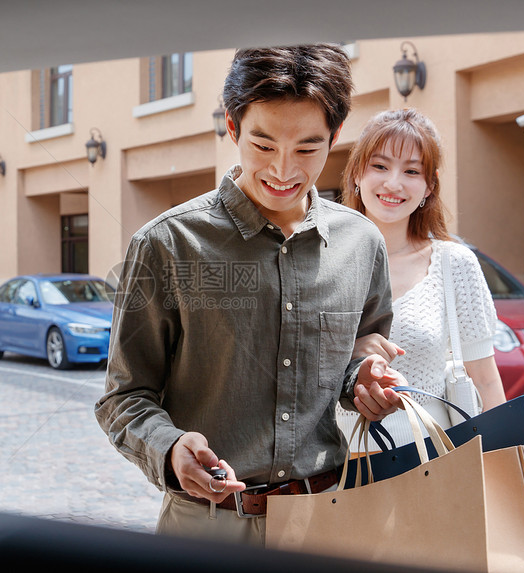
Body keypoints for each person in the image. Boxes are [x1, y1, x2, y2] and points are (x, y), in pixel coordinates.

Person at [94, 44, 405, 546]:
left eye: (307, 148)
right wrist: (170, 449)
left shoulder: (362, 243)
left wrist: (365, 383)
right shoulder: (166, 244)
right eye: (263, 146)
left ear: (335, 137)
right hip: (205, 526)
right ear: (233, 129)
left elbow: (354, 362)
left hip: (328, 521)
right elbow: (123, 397)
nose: (283, 170)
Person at [336, 108, 507, 451]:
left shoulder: (453, 263)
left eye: (411, 171)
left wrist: (503, 458)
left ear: (429, 186)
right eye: (380, 166)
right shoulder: (320, 260)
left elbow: (486, 379)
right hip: (335, 467)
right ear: (356, 173)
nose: (394, 183)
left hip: (431, 460)